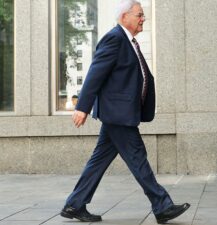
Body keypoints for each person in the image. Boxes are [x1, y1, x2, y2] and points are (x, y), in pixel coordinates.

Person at [60, 0, 190, 223]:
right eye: (139, 15)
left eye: (143, 15)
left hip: (119, 114)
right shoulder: (115, 38)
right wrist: (83, 106)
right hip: (118, 114)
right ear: (124, 17)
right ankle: (162, 205)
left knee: (98, 161)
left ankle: (74, 205)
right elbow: (95, 74)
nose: (143, 19)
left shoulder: (128, 42)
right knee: (138, 158)